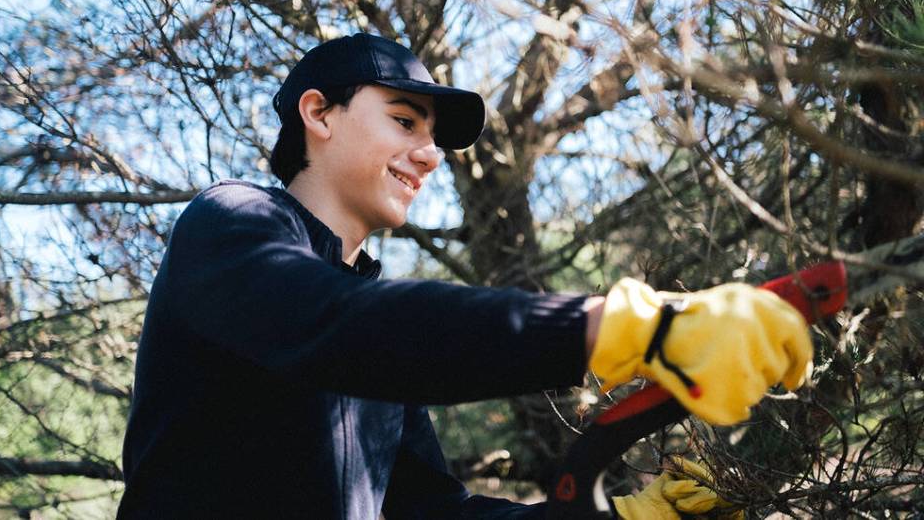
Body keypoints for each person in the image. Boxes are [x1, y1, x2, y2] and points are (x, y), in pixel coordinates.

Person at [117, 33, 813, 519]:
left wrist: (617, 518)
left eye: (433, 138)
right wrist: (620, 328)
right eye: (403, 120)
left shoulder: (374, 327)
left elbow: (431, 513)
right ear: (317, 113)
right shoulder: (231, 222)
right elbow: (337, 327)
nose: (428, 156)